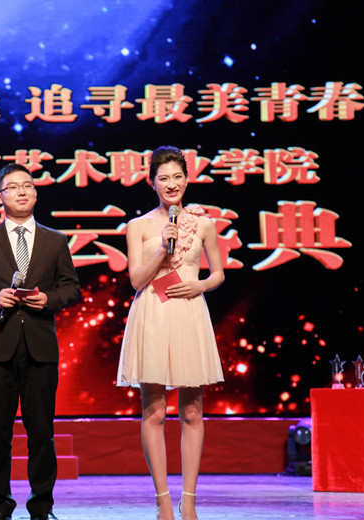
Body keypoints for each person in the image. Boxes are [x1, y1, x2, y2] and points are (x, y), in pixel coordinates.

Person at [0, 164, 81, 520]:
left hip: (40, 348)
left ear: (36, 194)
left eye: (27, 185)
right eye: (13, 187)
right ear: (0, 197)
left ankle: (42, 506)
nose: (22, 192)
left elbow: (71, 288)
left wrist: (49, 300)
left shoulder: (55, 240)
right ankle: (0, 508)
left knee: (42, 433)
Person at [116, 146, 225, 520]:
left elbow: (218, 273)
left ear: (187, 180)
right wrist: (163, 247)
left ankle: (189, 499)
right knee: (155, 410)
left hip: (189, 312)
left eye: (178, 176)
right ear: (152, 183)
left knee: (192, 411)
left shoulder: (204, 223)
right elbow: (136, 280)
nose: (171, 184)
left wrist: (200, 285)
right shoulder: (139, 226)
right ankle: (163, 500)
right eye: (163, 178)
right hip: (153, 313)